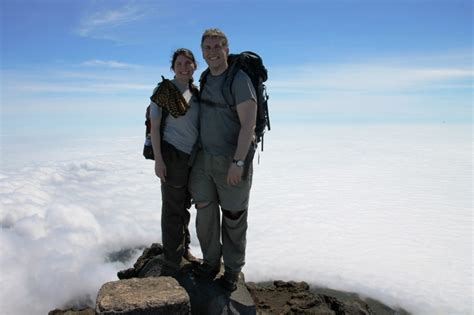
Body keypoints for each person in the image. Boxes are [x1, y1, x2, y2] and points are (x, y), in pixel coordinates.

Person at [189, 28, 257, 291]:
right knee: (205, 214)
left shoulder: (238, 79)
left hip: (232, 162)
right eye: (207, 48)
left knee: (233, 217)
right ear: (202, 52)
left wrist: (238, 162)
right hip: (204, 161)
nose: (212, 52)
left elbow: (248, 125)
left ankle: (232, 270)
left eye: (218, 47)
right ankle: (210, 263)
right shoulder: (206, 77)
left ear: (227, 48)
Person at [149, 48, 200, 275]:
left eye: (188, 63)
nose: (183, 67)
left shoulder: (196, 92)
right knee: (172, 207)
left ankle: (184, 250)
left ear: (194, 67)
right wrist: (159, 160)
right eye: (179, 63)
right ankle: (172, 259)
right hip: (172, 154)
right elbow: (155, 127)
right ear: (173, 67)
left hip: (193, 157)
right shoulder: (164, 91)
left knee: (184, 206)